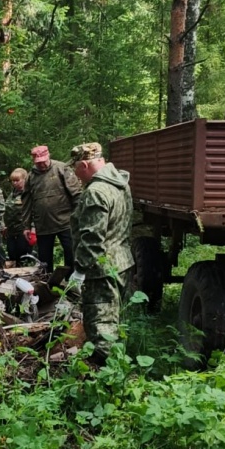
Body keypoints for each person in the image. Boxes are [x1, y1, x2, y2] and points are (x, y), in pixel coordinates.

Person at [68, 141, 135, 362]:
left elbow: (93, 238)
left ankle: (107, 375)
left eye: (76, 169)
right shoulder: (120, 183)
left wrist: (80, 270)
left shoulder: (96, 191)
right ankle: (118, 365)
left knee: (101, 326)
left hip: (101, 269)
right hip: (122, 262)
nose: (75, 175)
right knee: (116, 321)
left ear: (84, 165)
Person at [22, 144, 81, 272]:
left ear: (48, 156)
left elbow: (76, 195)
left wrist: (77, 217)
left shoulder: (62, 169)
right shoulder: (31, 177)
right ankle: (47, 281)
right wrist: (26, 226)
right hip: (43, 224)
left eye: (43, 161)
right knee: (44, 259)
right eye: (38, 162)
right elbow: (26, 203)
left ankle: (70, 280)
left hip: (65, 222)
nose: (42, 164)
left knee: (71, 253)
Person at [2, 168, 32, 265]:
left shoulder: (29, 193)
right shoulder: (12, 194)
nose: (15, 183)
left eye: (17, 180)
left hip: (23, 230)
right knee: (12, 255)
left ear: (24, 179)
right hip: (11, 230)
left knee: (23, 256)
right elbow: (7, 211)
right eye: (13, 181)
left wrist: (32, 227)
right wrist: (5, 225)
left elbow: (33, 211)